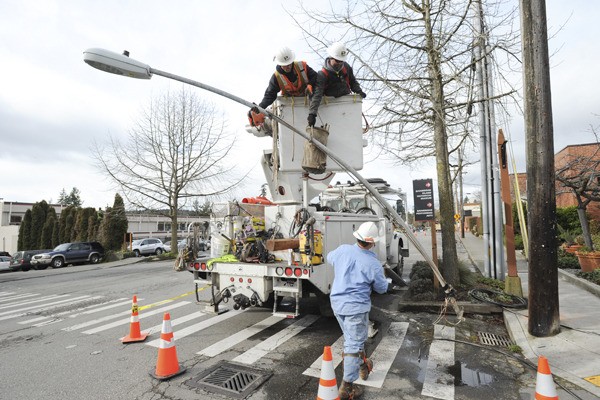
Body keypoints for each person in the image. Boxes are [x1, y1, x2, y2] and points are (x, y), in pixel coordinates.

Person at [326, 221, 389, 399]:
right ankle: (347, 386)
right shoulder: (373, 263)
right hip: (356, 307)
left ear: (358, 237)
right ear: (372, 242)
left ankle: (362, 366)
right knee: (353, 344)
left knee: (352, 339)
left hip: (337, 304)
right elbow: (382, 288)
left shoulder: (342, 250)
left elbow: (330, 258)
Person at [249, 46, 318, 125]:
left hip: (308, 100)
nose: (288, 67)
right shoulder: (276, 77)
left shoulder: (302, 66)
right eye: (284, 65)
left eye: (289, 64)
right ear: (279, 64)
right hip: (291, 106)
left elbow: (315, 77)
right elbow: (270, 95)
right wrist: (260, 107)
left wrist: (310, 84)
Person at [307, 42, 366, 127]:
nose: (339, 63)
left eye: (341, 61)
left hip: (346, 102)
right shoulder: (322, 74)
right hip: (331, 103)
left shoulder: (346, 67)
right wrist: (312, 114)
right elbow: (318, 94)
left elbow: (352, 81)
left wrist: (359, 91)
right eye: (337, 61)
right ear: (331, 58)